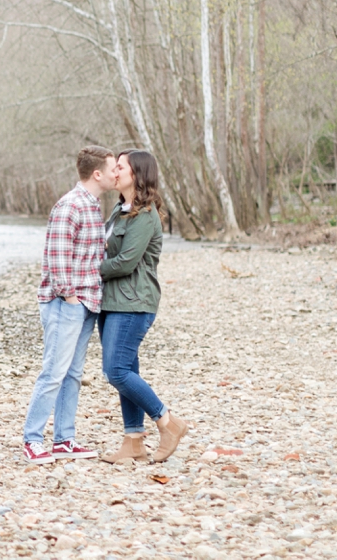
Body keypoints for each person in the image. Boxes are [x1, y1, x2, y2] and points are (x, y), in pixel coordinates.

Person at [96, 149, 190, 464]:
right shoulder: (119, 211)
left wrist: (89, 269)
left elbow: (124, 263)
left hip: (134, 304)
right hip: (113, 302)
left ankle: (167, 422)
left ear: (136, 174)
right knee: (127, 369)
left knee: (116, 370)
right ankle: (133, 442)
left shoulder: (144, 215)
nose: (114, 171)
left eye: (120, 167)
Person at [22, 145, 115, 464]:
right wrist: (69, 295)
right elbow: (57, 256)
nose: (117, 173)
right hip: (67, 303)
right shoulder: (70, 205)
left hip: (87, 302)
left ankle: (64, 439)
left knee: (73, 373)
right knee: (54, 372)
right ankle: (32, 439)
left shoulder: (93, 205)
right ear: (97, 173)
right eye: (113, 168)